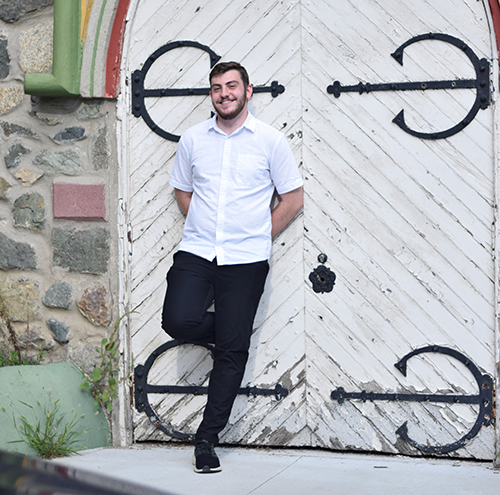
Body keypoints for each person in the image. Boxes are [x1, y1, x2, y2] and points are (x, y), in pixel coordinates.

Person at [161, 61, 303, 473]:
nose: (224, 93)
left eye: (232, 86)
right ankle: (229, 337)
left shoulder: (270, 141)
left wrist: (258, 235)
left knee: (231, 351)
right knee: (178, 320)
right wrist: (205, 226)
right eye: (217, 87)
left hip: (246, 259)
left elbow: (292, 199)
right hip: (198, 250)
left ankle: (206, 439)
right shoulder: (192, 139)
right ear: (211, 94)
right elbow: (182, 190)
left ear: (248, 91)